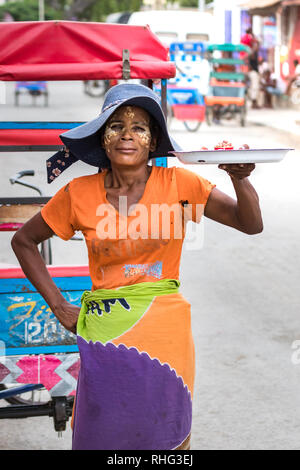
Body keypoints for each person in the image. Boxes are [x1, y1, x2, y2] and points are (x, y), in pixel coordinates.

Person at [11, 83, 263, 450]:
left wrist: (240, 178)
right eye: (116, 126)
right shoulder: (78, 194)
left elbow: (249, 222)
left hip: (166, 337)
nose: (127, 135)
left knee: (165, 435)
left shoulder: (180, 185)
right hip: (105, 336)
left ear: (152, 140)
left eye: (139, 127)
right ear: (102, 139)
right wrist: (58, 304)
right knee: (104, 434)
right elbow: (23, 241)